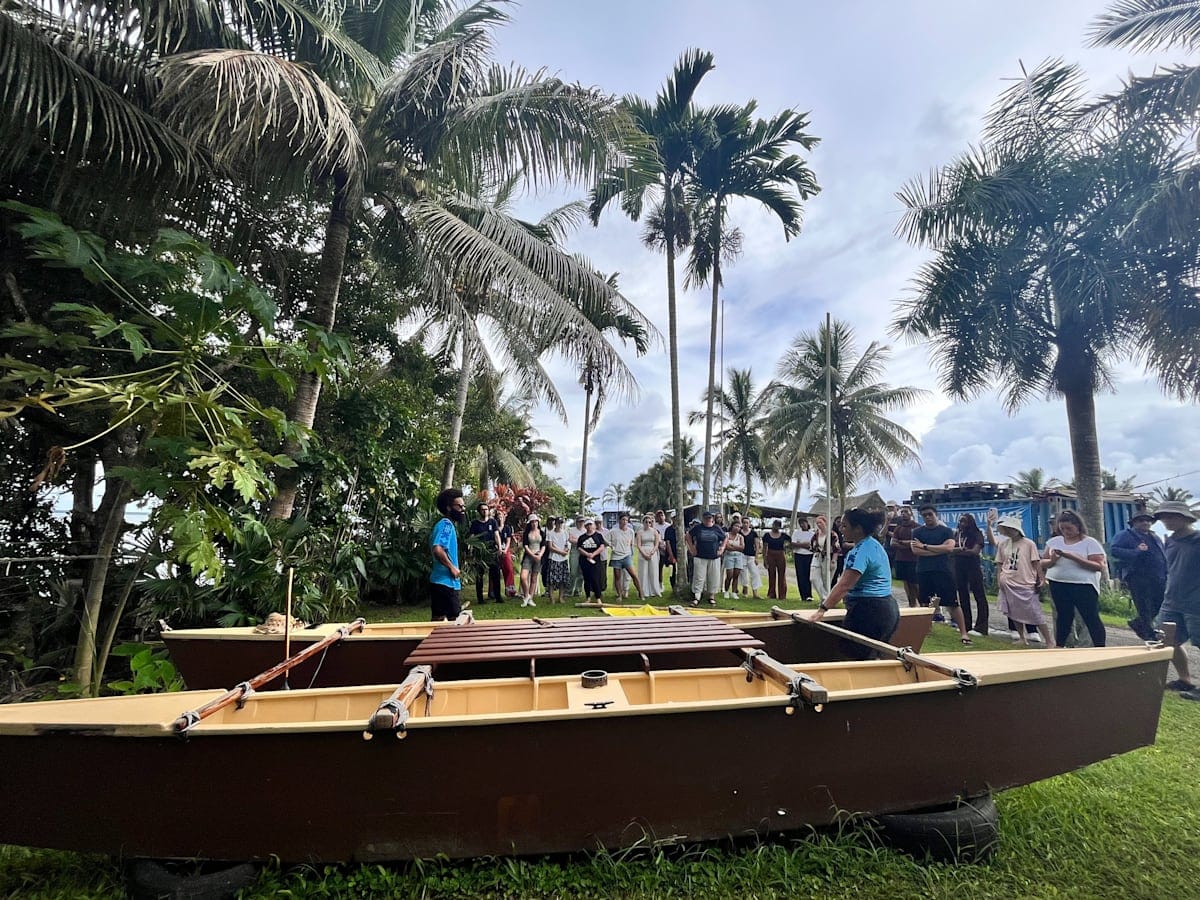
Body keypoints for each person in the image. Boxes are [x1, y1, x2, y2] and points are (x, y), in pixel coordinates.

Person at [809, 507, 900, 659]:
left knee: (853, 657)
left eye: (844, 526)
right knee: (873, 658)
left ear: (858, 529)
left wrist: (822, 609)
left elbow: (845, 585)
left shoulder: (858, 552)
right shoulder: (875, 545)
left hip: (869, 612)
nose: (840, 529)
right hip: (889, 609)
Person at [1153, 501, 1200, 699]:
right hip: (1172, 599)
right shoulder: (1170, 540)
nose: (1167, 520)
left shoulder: (1198, 539)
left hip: (1196, 600)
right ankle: (1185, 680)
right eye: (1164, 517)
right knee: (1167, 640)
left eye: (1172, 516)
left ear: (1185, 518)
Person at [986, 510, 1054, 646]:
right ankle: (1022, 637)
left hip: (1025, 582)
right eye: (1006, 529)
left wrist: (1041, 578)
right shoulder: (1004, 544)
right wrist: (999, 579)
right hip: (1008, 581)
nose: (1009, 531)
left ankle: (1049, 641)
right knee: (1013, 612)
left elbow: (1036, 562)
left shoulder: (1029, 544)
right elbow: (1000, 563)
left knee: (1035, 613)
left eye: (1011, 529)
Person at [1041, 509, 1107, 648]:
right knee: (1063, 616)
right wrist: (1052, 560)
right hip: (1058, 583)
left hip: (1083, 585)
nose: (1066, 531)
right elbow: (1042, 562)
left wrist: (1072, 557)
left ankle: (1100, 647)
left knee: (1090, 617)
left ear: (1078, 527)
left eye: (1069, 528)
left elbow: (1098, 566)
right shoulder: (1054, 541)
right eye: (1062, 528)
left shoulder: (1090, 543)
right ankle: (1060, 645)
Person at [912, 505, 972, 644]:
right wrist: (938, 549)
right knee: (925, 602)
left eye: (930, 514)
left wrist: (925, 546)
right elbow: (916, 551)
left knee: (952, 602)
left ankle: (964, 633)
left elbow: (949, 547)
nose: (927, 517)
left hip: (943, 570)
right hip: (924, 570)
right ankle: (926, 629)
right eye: (924, 515)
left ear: (936, 515)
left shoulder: (946, 531)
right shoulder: (917, 532)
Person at [1110, 511, 1167, 641]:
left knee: (1160, 602)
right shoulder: (1126, 535)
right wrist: (1136, 551)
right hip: (1138, 576)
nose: (1145, 523)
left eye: (1147, 520)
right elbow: (1114, 550)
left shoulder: (1155, 537)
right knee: (1144, 605)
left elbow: (1163, 555)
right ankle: (1149, 634)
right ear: (1134, 523)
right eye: (1141, 520)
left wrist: (1166, 571)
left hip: (1158, 576)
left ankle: (1138, 623)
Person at [429, 488, 466, 621]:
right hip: (446, 583)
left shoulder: (443, 525)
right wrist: (452, 567)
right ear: (449, 508)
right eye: (459, 506)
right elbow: (437, 549)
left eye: (464, 506)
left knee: (438, 622)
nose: (463, 509)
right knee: (454, 625)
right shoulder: (446, 525)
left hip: (441, 582)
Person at [953, 513, 989, 637]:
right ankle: (966, 624)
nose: (962, 524)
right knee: (963, 596)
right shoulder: (958, 534)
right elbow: (951, 549)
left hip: (972, 567)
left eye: (964, 522)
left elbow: (975, 551)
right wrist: (958, 551)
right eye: (960, 521)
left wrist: (959, 551)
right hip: (959, 567)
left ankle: (982, 627)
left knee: (979, 596)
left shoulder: (976, 534)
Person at [686, 509, 727, 606]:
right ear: (703, 519)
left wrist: (722, 548)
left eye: (710, 518)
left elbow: (725, 537)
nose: (708, 520)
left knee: (713, 577)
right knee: (699, 577)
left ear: (712, 519)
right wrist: (692, 548)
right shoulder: (698, 528)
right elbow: (687, 536)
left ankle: (711, 596)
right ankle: (697, 597)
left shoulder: (717, 528)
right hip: (700, 556)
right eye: (706, 518)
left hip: (714, 557)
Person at [468, 502, 502, 604]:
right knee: (479, 576)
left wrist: (499, 547)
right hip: (480, 552)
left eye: (486, 509)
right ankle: (480, 598)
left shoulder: (493, 522)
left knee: (495, 574)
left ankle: (498, 597)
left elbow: (496, 535)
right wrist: (470, 549)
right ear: (479, 511)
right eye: (482, 509)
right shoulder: (475, 523)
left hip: (492, 551)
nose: (485, 511)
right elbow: (472, 537)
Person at [606, 513, 644, 602]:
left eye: (626, 520)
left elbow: (631, 543)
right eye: (623, 520)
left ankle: (641, 593)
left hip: (627, 555)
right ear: (619, 520)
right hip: (616, 557)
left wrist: (631, 552)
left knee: (634, 575)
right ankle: (619, 595)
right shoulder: (613, 531)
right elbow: (604, 539)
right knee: (617, 577)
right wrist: (611, 545)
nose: (625, 522)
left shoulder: (630, 531)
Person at [889, 507, 920, 607]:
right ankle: (911, 603)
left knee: (914, 583)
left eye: (906, 512)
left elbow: (916, 543)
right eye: (901, 512)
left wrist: (902, 542)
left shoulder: (917, 527)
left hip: (913, 559)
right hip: (901, 558)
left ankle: (921, 602)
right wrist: (906, 544)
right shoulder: (899, 528)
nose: (903, 514)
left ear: (911, 513)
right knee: (905, 582)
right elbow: (893, 543)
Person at [576, 519, 608, 602]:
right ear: (585, 526)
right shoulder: (582, 537)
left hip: (596, 560)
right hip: (584, 560)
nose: (589, 526)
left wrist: (593, 554)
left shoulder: (598, 536)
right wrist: (587, 554)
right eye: (587, 525)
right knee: (586, 579)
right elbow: (579, 548)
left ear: (593, 525)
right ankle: (588, 597)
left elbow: (602, 546)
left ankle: (598, 597)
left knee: (595, 578)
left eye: (590, 524)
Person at [519, 514, 545, 607]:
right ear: (530, 523)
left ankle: (531, 599)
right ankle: (526, 595)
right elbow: (525, 546)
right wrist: (532, 555)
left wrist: (540, 555)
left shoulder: (541, 532)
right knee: (523, 577)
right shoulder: (527, 533)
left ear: (538, 522)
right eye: (532, 522)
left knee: (534, 578)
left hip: (538, 556)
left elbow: (543, 545)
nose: (534, 523)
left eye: (536, 521)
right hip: (529, 556)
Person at [545, 516, 571, 604]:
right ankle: (552, 598)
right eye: (558, 523)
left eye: (561, 523)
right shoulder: (550, 533)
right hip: (553, 558)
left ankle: (561, 597)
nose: (559, 525)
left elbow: (567, 544)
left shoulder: (565, 533)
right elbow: (550, 547)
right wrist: (561, 552)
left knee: (563, 579)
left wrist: (566, 551)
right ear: (555, 523)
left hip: (563, 559)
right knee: (552, 579)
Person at [762, 520, 789, 601]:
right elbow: (764, 548)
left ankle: (782, 595)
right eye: (775, 525)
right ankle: (771, 594)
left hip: (780, 554)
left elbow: (791, 541)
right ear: (772, 525)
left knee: (782, 575)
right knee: (771, 574)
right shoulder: (767, 535)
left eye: (778, 525)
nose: (776, 527)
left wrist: (787, 547)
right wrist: (765, 559)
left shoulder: (783, 535)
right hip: (770, 554)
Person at [636, 514, 663, 598]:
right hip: (643, 551)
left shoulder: (654, 531)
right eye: (646, 522)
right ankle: (643, 591)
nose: (648, 524)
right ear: (643, 523)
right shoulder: (640, 532)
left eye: (649, 522)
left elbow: (656, 543)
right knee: (643, 572)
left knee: (653, 572)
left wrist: (652, 552)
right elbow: (639, 545)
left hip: (652, 552)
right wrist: (644, 554)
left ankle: (655, 590)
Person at [790, 517, 814, 602]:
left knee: (808, 575)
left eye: (803, 523)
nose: (802, 525)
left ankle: (809, 595)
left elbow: (812, 545)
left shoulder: (812, 533)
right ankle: (802, 595)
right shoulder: (796, 533)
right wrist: (804, 545)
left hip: (809, 555)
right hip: (799, 555)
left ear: (807, 523)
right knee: (800, 575)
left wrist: (800, 544)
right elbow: (793, 544)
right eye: (800, 523)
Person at [810, 515, 834, 602]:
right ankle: (825, 598)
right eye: (817, 523)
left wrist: (833, 561)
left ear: (825, 522)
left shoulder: (832, 534)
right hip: (817, 556)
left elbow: (836, 549)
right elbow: (811, 545)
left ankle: (825, 601)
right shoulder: (816, 534)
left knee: (826, 580)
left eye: (820, 522)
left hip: (828, 557)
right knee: (813, 577)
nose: (819, 524)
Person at [722, 513, 745, 600]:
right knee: (729, 575)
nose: (737, 528)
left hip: (738, 557)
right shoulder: (727, 535)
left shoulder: (740, 537)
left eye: (739, 527)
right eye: (736, 526)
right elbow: (726, 546)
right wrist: (736, 548)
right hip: (729, 556)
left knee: (736, 575)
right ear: (732, 526)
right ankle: (726, 591)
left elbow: (742, 547)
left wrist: (733, 547)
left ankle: (734, 592)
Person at [496, 508, 516, 598]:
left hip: (506, 549)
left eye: (502, 516)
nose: (500, 518)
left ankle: (510, 590)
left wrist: (505, 550)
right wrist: (498, 549)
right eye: (498, 516)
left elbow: (508, 540)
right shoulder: (494, 527)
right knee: (495, 570)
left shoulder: (507, 528)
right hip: (496, 550)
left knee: (509, 569)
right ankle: (493, 592)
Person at [739, 520, 761, 599]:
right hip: (742, 555)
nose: (745, 524)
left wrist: (756, 557)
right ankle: (745, 591)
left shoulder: (753, 533)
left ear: (749, 524)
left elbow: (757, 545)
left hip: (751, 556)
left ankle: (755, 593)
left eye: (747, 523)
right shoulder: (739, 532)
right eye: (744, 522)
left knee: (755, 574)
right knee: (744, 574)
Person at [567, 515, 585, 598]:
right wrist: (580, 541)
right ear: (576, 522)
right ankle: (570, 590)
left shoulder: (585, 530)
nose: (581, 523)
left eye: (582, 521)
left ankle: (578, 590)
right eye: (579, 521)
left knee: (581, 572)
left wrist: (577, 540)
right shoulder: (572, 530)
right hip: (574, 551)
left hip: (583, 552)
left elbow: (587, 540)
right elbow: (570, 539)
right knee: (573, 572)